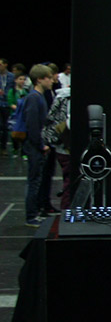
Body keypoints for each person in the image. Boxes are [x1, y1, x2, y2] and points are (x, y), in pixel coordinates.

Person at [23, 64, 54, 228]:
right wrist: (41, 145)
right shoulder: (34, 98)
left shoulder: (39, 97)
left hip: (38, 145)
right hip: (35, 146)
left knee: (37, 180)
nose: (51, 81)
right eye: (48, 78)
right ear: (39, 79)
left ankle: (35, 212)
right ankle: (31, 216)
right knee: (34, 181)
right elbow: (33, 125)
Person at [0, 58, 13, 154]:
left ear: (5, 65)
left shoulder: (11, 76)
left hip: (7, 103)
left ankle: (3, 147)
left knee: (5, 126)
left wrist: (5, 94)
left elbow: (13, 89)